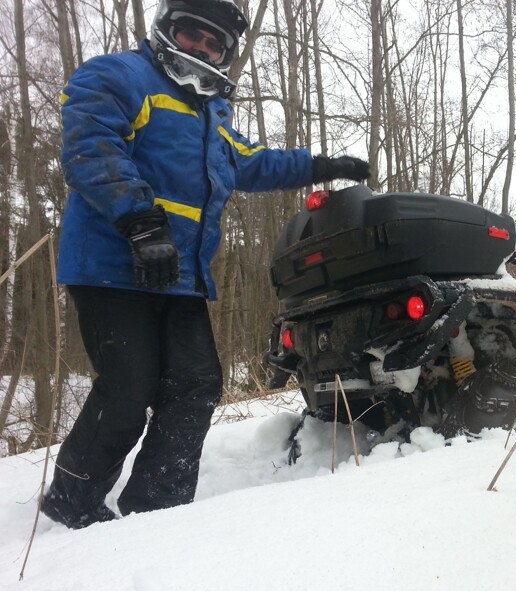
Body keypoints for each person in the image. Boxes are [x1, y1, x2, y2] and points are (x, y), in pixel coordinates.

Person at [41, 0, 370, 529]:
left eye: (214, 43)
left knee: (197, 385)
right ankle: (72, 500)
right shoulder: (118, 75)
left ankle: (159, 508)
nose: (202, 46)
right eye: (192, 33)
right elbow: (91, 146)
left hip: (183, 277)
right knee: (129, 385)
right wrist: (141, 222)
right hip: (112, 263)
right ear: (167, 31)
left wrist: (320, 164)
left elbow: (254, 162)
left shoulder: (211, 114)